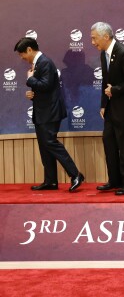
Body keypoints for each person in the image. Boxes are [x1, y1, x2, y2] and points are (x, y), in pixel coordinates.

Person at [14, 37, 84, 192]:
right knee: (45, 146)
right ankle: (51, 181)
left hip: (50, 112)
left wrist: (30, 79)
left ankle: (76, 174)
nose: (22, 58)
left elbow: (45, 85)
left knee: (50, 142)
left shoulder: (45, 62)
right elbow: (46, 88)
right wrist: (33, 93)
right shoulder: (39, 63)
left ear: (29, 50)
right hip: (43, 111)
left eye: (21, 54)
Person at [90, 21, 124, 196]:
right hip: (112, 108)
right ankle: (115, 180)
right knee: (109, 142)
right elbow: (105, 82)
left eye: (94, 38)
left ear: (106, 36)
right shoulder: (104, 53)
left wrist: (115, 90)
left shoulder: (123, 52)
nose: (92, 42)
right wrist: (104, 104)